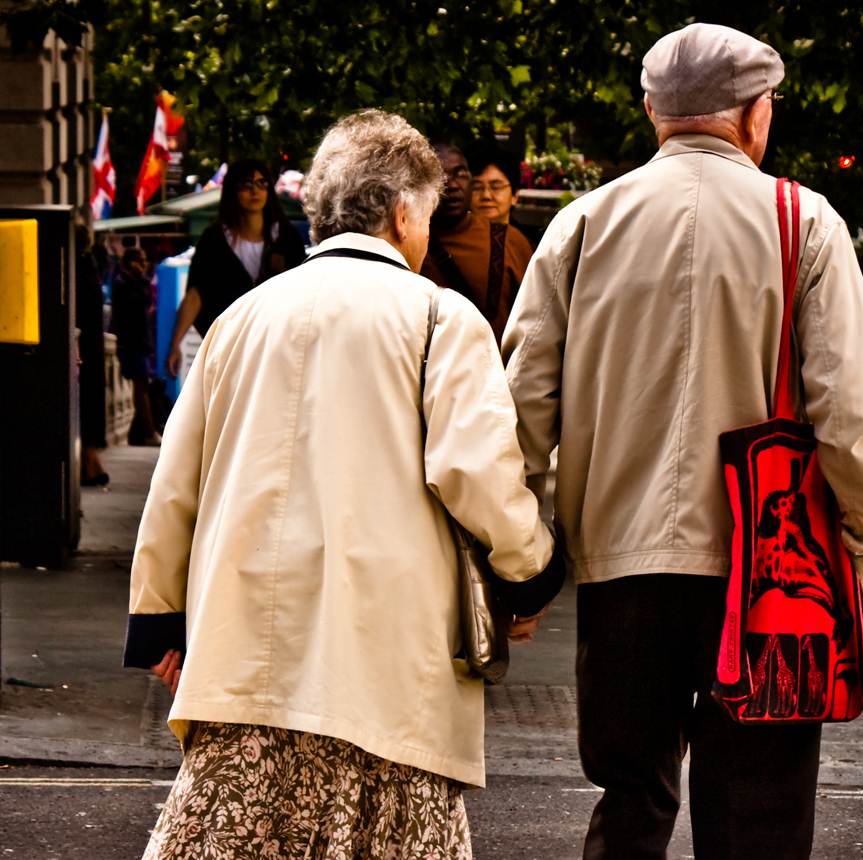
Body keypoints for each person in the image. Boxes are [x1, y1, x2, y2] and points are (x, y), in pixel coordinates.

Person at [503, 22, 863, 859]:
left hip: (621, 565)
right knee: (759, 816)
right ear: (755, 116)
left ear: (653, 110)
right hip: (771, 574)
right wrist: (856, 549)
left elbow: (522, 409)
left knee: (631, 794)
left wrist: (523, 559)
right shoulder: (807, 222)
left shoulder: (582, 225)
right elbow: (854, 414)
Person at [125, 108, 555, 858]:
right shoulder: (440, 320)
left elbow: (177, 483)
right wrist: (530, 573)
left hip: (243, 664)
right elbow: (477, 474)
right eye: (423, 215)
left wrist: (160, 620)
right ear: (399, 212)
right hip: (386, 676)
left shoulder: (241, 319)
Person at [164, 158, 308, 378]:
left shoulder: (287, 238)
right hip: (230, 350)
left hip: (277, 349)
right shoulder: (214, 240)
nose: (255, 191)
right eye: (246, 184)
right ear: (233, 190)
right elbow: (195, 294)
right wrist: (175, 344)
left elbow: (304, 295)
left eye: (261, 183)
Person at [420, 142, 535, 338]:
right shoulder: (407, 241)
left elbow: (537, 318)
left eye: (460, 174)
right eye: (440, 175)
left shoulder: (512, 242)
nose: (453, 184)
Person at [109, 246, 161, 446]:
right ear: (130, 263)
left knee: (142, 386)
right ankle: (149, 432)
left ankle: (137, 431)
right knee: (141, 387)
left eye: (145, 260)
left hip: (140, 342)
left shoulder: (139, 283)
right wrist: (140, 280)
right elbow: (134, 306)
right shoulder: (122, 283)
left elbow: (146, 300)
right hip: (131, 343)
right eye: (140, 261)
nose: (144, 264)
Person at [74, 217, 110, 486]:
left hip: (89, 346)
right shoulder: (85, 266)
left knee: (88, 400)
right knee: (87, 400)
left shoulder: (83, 265)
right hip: (88, 346)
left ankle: (89, 459)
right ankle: (88, 460)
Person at [467, 143, 523, 226]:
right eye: (477, 187)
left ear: (515, 196)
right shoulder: (451, 237)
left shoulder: (529, 238)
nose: (486, 196)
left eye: (496, 187)